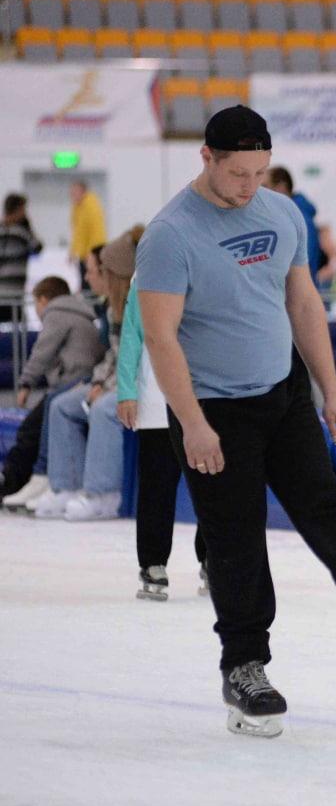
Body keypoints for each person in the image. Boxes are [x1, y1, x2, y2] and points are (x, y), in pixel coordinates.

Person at [136, 105, 336, 739]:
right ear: (207, 159)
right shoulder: (170, 234)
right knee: (236, 539)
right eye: (238, 173)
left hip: (284, 392)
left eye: (259, 172)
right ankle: (245, 667)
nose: (249, 186)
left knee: (325, 505)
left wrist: (331, 392)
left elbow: (302, 301)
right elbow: (161, 338)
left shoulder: (280, 215)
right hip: (214, 410)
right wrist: (190, 422)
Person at [115, 229, 209, 601]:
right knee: (156, 487)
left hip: (207, 397)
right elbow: (133, 336)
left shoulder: (209, 270)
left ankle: (213, 558)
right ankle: (153, 562)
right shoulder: (145, 277)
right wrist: (126, 390)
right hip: (156, 402)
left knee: (214, 485)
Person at [33, 230, 136, 521]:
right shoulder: (112, 308)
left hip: (140, 386)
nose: (91, 277)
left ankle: (103, 494)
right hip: (114, 380)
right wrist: (99, 381)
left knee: (105, 410)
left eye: (98, 271)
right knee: (62, 405)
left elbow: (137, 359)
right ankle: (66, 485)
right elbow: (112, 356)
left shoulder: (136, 305)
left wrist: (107, 387)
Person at [7, 247, 113, 513]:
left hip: (82, 378)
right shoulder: (84, 311)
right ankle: (39, 479)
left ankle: (36, 477)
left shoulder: (57, 313)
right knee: (47, 411)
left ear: (44, 299)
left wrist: (25, 383)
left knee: (43, 415)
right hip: (89, 375)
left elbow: (42, 352)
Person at [266, 166, 322, 289]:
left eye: (265, 187)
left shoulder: (298, 218)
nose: (260, 194)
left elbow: (303, 261)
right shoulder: (286, 216)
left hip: (298, 296)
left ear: (281, 187)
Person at [0, 193, 43, 323]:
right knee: (18, 336)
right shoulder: (22, 232)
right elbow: (37, 247)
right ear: (18, 209)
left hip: (4, 292)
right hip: (14, 292)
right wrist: (28, 226)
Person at [69, 180, 107, 282]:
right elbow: (78, 232)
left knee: (90, 281)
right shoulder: (79, 207)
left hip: (91, 252)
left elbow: (89, 231)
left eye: (74, 192)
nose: (72, 195)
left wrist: (90, 252)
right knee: (86, 280)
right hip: (86, 252)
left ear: (83, 191)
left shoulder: (89, 206)